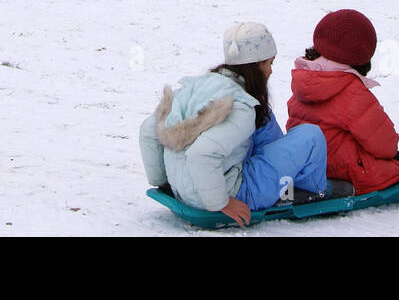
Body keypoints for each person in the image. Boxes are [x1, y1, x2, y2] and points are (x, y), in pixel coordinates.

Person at [139, 22, 339, 227]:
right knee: (310, 136)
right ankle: (307, 190)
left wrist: (164, 182)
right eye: (269, 63)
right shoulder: (240, 108)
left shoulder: (197, 88)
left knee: (263, 115)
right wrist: (221, 203)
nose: (270, 71)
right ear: (255, 66)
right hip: (233, 193)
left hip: (184, 188)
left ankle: (282, 172)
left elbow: (149, 131)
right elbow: (201, 154)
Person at [287, 10, 399, 193]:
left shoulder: (304, 80)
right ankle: (340, 188)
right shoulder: (352, 92)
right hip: (345, 168)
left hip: (306, 163)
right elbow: (386, 146)